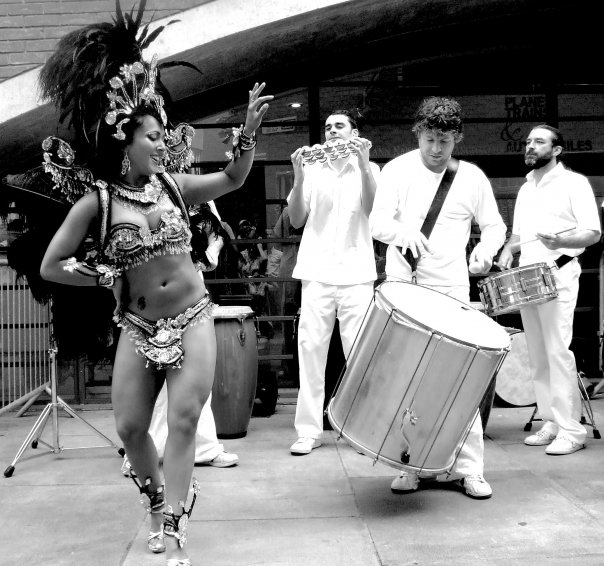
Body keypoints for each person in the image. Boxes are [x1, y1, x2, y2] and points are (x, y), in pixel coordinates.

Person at [36, 8, 273, 565]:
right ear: (126, 142)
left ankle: (176, 526)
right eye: (153, 137)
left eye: (164, 136)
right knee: (130, 426)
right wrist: (100, 274)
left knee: (186, 419)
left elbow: (233, 177)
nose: (162, 145)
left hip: (192, 316)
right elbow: (51, 264)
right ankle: (155, 501)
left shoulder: (173, 186)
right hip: (138, 325)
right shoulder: (97, 203)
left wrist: (248, 132)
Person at [369, 96, 506, 499]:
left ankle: (469, 469)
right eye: (429, 139)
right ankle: (408, 465)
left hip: (452, 288)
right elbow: (377, 222)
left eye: (444, 141)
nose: (436, 149)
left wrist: (486, 250)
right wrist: (402, 233)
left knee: (462, 380)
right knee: (407, 378)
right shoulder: (397, 170)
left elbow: (495, 226)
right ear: (418, 134)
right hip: (406, 286)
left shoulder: (472, 177)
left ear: (457, 138)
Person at [498, 124, 600, 456]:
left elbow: (592, 232)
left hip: (559, 272)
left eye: (539, 142)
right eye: (528, 141)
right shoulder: (526, 188)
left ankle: (572, 430)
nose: (530, 146)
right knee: (538, 355)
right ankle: (551, 422)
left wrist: (561, 241)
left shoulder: (574, 183)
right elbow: (518, 236)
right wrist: (507, 251)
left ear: (556, 150)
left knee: (557, 351)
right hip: (528, 276)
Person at [120, 203, 239, 478]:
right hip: (149, 292)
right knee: (153, 375)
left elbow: (216, 234)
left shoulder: (197, 195)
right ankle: (140, 454)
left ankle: (205, 447)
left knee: (195, 375)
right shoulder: (139, 193)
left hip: (191, 290)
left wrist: (207, 255)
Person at [288, 109, 379, 455]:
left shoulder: (370, 168)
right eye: (327, 127)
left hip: (357, 275)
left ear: (354, 132)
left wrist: (365, 166)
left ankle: (361, 429)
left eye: (339, 126)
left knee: (359, 355)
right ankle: (308, 431)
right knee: (311, 353)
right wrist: (298, 178)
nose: (332, 131)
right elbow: (296, 220)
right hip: (317, 273)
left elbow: (373, 212)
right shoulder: (313, 168)